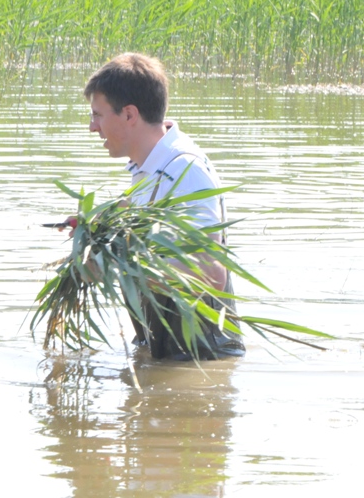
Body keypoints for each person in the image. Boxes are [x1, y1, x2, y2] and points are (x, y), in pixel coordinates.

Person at [83, 52, 244, 360]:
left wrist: (119, 265)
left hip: (203, 359)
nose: (92, 127)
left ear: (130, 115)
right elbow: (137, 213)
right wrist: (96, 227)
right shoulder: (148, 166)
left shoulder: (186, 170)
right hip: (169, 354)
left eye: (97, 115)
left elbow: (211, 274)